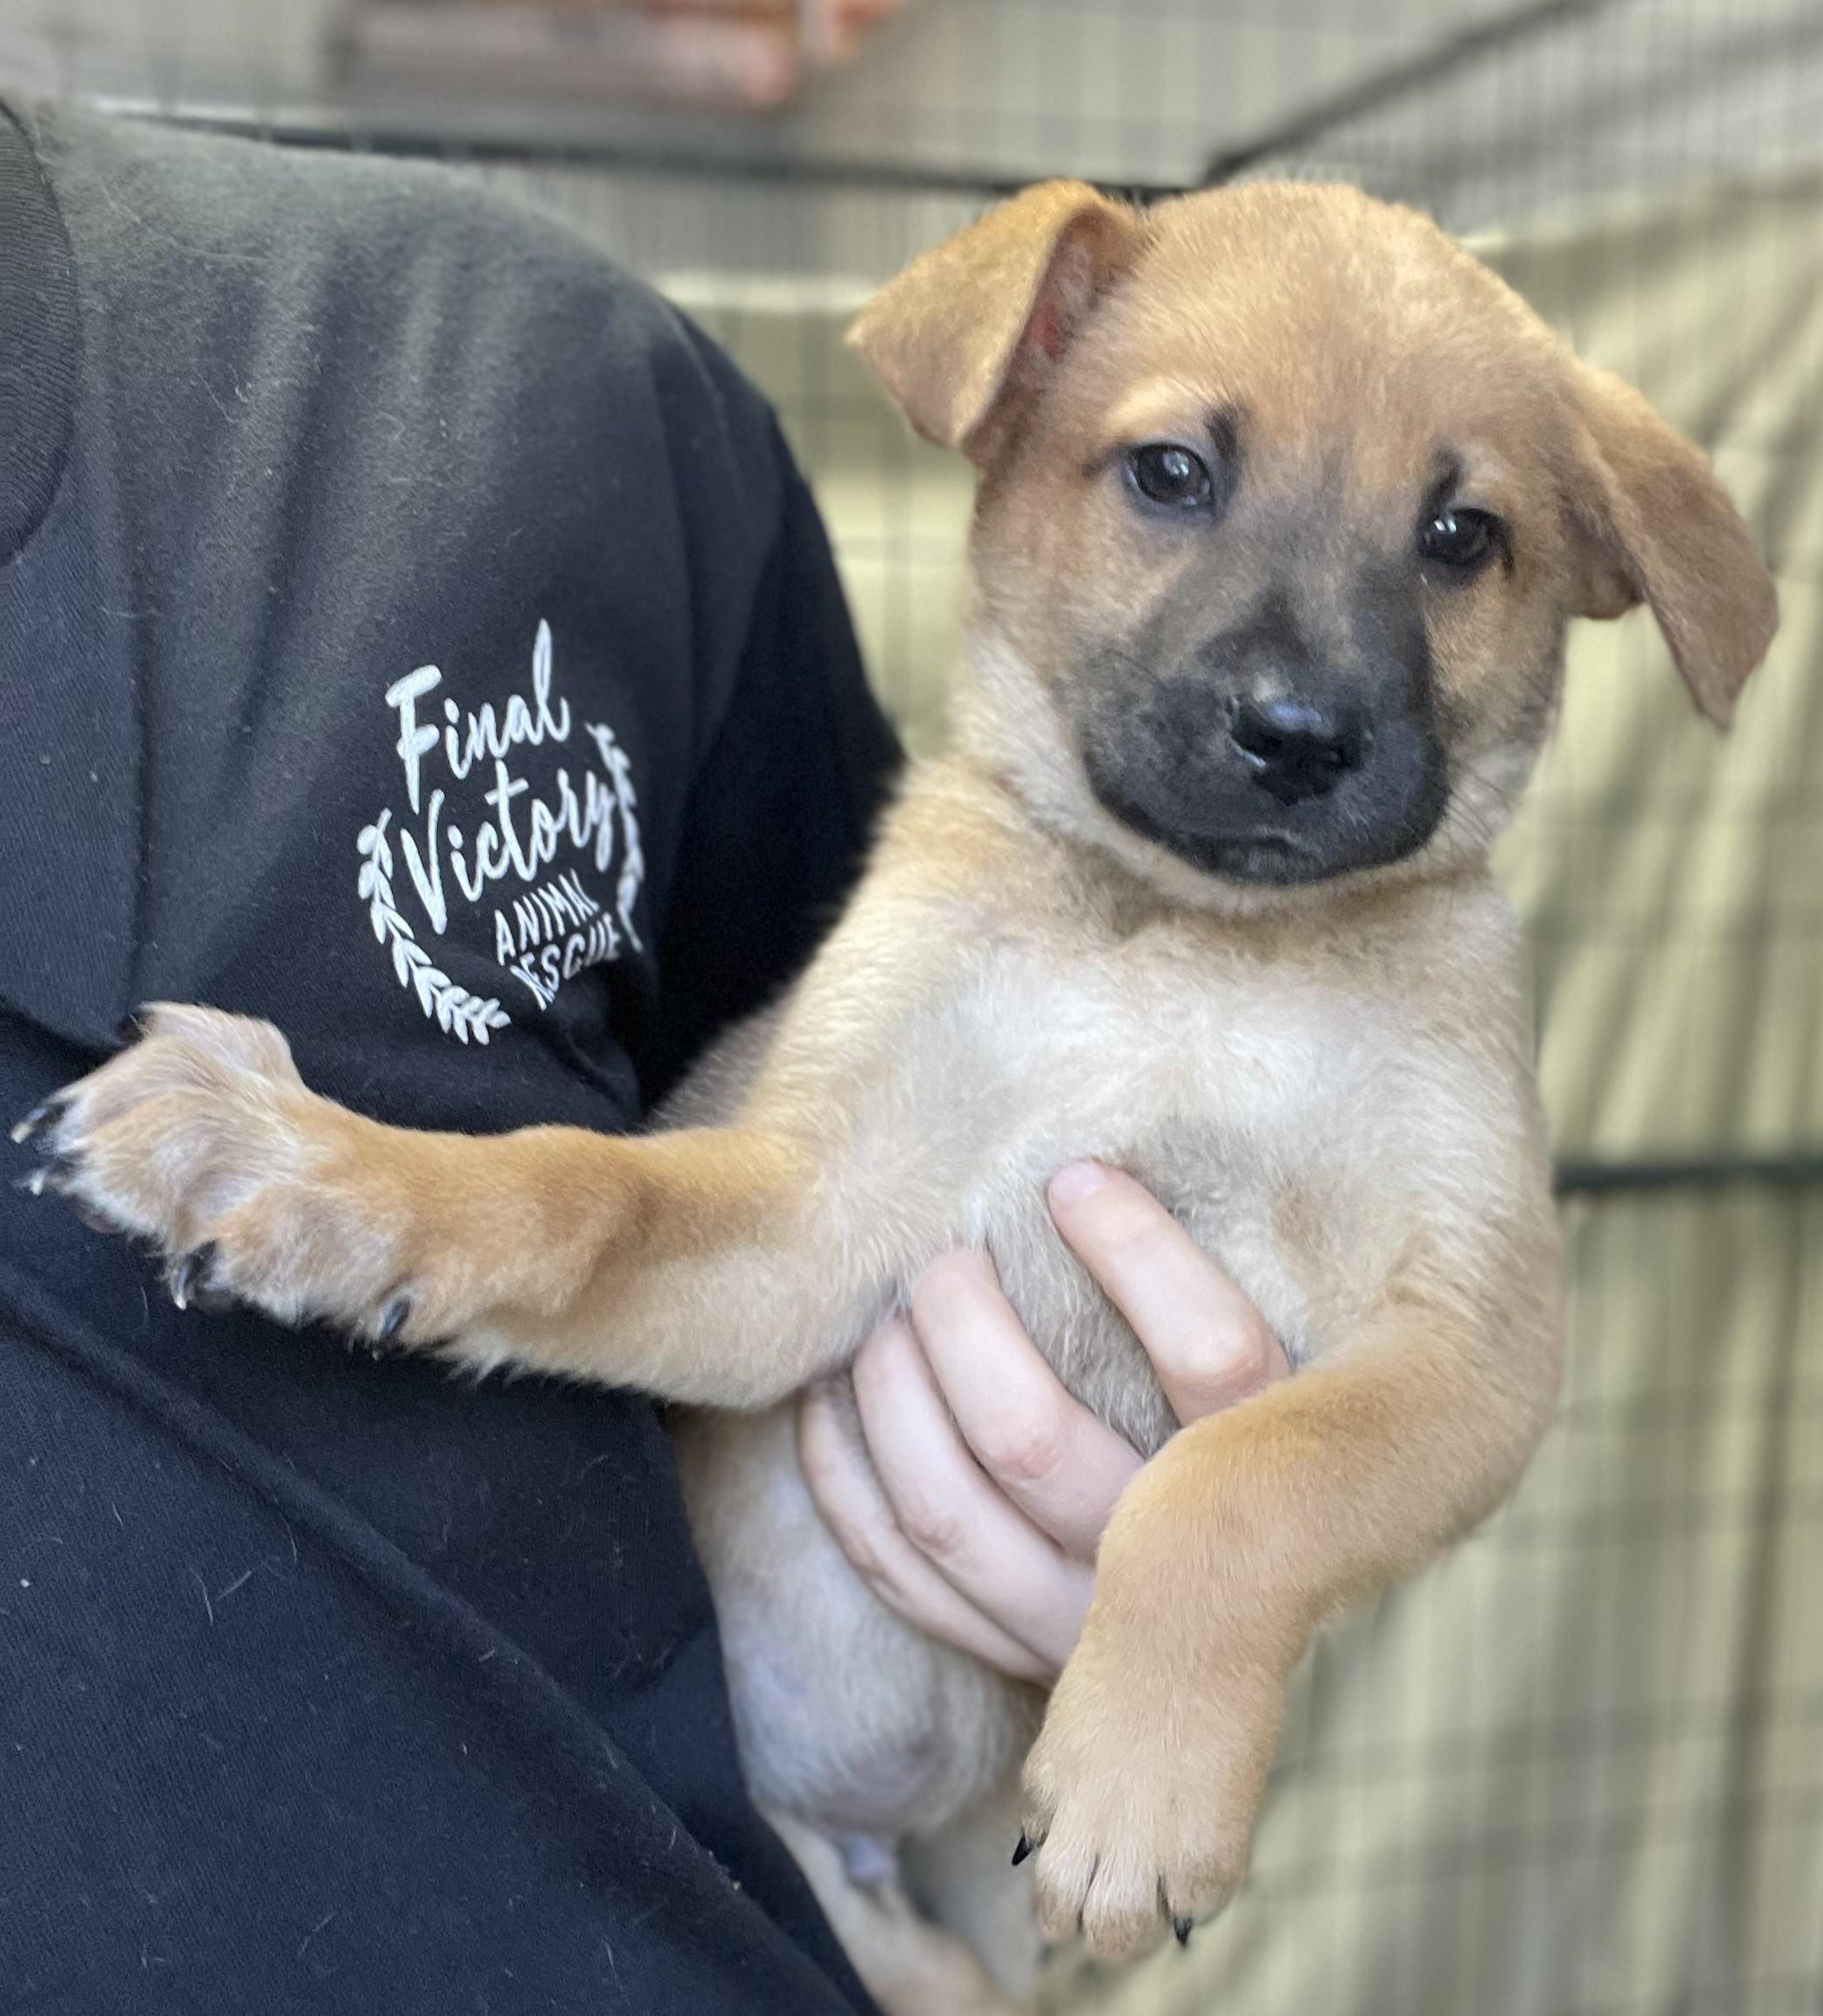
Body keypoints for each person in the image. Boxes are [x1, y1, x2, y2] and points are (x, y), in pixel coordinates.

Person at [0, 97, 1283, 2012]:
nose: (1290, 679)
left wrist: (1203, 1575)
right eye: (1171, 473)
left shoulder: (553, 402)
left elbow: (804, 1198)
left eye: (1459, 542)